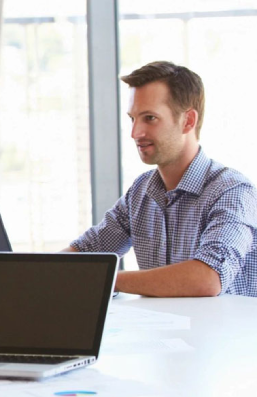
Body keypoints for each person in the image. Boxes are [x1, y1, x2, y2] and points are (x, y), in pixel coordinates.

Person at [67, 61, 257, 297]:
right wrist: (34, 274)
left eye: (150, 118)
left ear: (188, 121)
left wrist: (107, 279)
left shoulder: (232, 191)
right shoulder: (141, 191)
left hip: (225, 334)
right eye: (133, 119)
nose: (135, 133)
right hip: (162, 333)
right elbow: (86, 251)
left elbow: (208, 278)